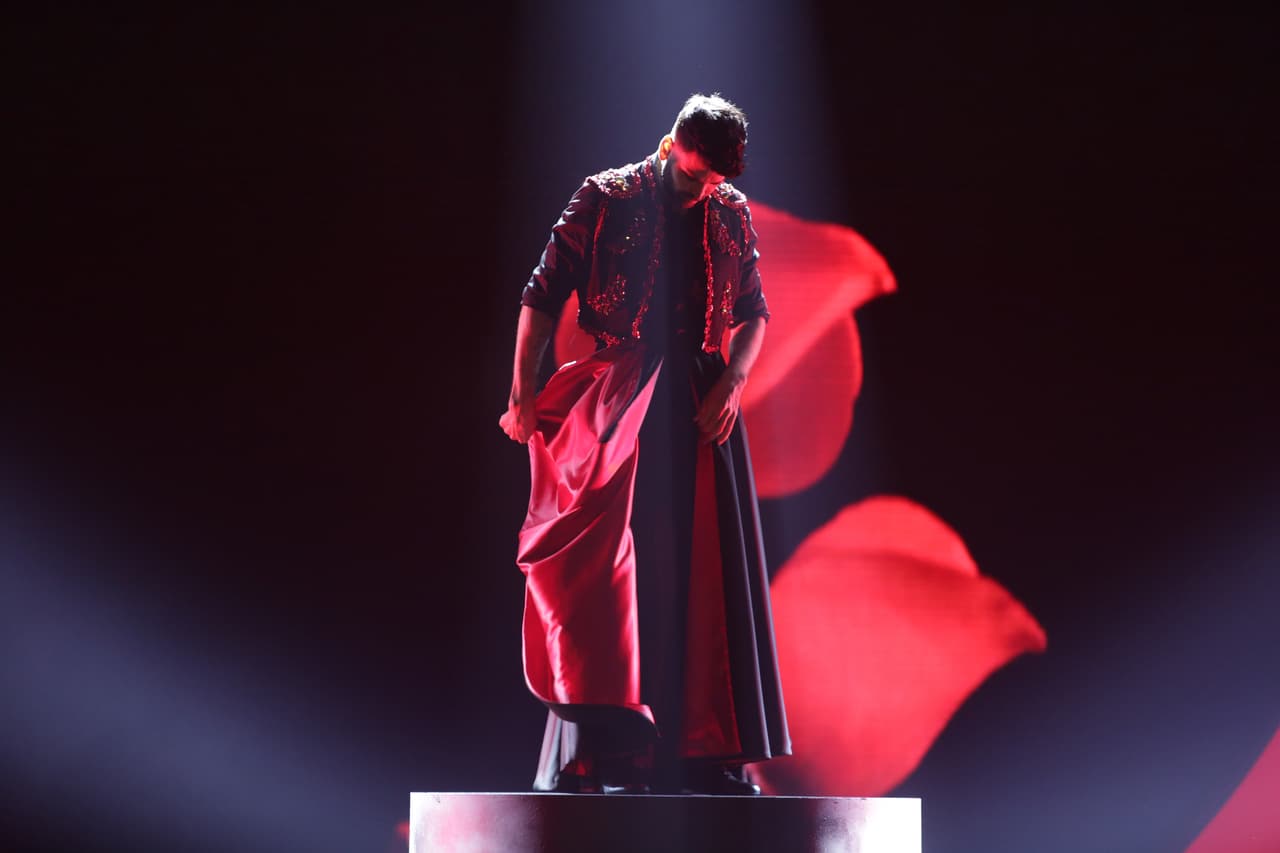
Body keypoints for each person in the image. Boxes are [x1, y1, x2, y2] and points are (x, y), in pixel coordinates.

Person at [500, 93, 789, 795]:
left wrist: (734, 382)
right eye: (695, 175)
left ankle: (708, 750)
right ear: (669, 146)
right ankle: (601, 750)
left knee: (703, 578)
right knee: (604, 578)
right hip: (619, 394)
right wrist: (523, 390)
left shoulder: (729, 211)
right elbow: (541, 292)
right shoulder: (606, 195)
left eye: (716, 180)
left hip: (698, 400)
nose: (704, 190)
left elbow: (754, 312)